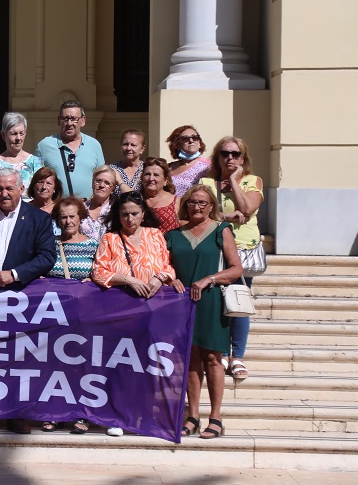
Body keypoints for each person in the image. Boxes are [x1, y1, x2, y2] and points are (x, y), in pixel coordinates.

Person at [0, 169, 56, 435]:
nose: (4, 194)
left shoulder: (38, 219)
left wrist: (16, 274)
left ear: (21, 189)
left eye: (9, 188)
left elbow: (47, 256)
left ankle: (17, 414)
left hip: (22, 298)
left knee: (20, 358)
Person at [91, 190, 177, 437]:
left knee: (147, 364)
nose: (129, 219)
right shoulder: (110, 239)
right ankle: (118, 416)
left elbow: (167, 266)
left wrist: (160, 279)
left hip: (152, 310)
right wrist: (127, 279)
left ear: (143, 215)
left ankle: (143, 415)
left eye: (134, 214)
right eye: (125, 214)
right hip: (120, 310)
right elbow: (99, 272)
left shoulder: (155, 235)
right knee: (121, 364)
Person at [167, 185, 243, 440]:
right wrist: (170, 280)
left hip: (211, 299)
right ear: (185, 205)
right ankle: (193, 416)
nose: (196, 206)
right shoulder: (174, 235)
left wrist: (209, 279)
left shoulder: (222, 230)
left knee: (213, 357)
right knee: (191, 358)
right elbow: (165, 267)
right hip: (182, 302)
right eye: (192, 202)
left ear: (212, 206)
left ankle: (216, 416)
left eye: (202, 202)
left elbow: (235, 269)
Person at [199, 136, 264, 380]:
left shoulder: (252, 181)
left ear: (243, 158)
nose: (230, 158)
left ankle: (237, 356)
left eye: (235, 154)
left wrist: (235, 181)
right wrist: (227, 217)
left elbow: (247, 209)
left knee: (239, 303)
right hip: (215, 248)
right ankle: (221, 352)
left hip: (243, 250)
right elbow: (201, 213)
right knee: (217, 305)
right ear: (217, 157)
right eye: (225, 153)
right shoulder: (207, 182)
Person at [38, 197, 97, 434]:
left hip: (84, 317)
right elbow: (39, 270)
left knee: (81, 366)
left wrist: (92, 281)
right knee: (53, 366)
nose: (68, 221)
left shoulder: (94, 245)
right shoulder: (48, 244)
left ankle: (82, 413)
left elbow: (102, 274)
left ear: (81, 217)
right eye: (63, 216)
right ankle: (54, 411)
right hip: (54, 317)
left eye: (72, 216)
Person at [35, 100, 105, 199]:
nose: (69, 123)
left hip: (88, 209)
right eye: (65, 119)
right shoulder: (44, 146)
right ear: (58, 120)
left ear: (83, 121)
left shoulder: (94, 145)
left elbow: (102, 177)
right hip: (55, 209)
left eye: (74, 119)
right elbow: (36, 181)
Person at [0, 112, 44, 205]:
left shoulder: (36, 162)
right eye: (14, 134)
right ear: (3, 135)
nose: (18, 138)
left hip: (31, 214)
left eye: (21, 133)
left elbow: (42, 195)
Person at [167, 125, 211, 197]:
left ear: (199, 143)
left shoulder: (208, 167)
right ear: (177, 144)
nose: (191, 141)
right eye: (185, 139)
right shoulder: (168, 168)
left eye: (195, 137)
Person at [142, 157, 181, 234]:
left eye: (156, 175)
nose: (151, 178)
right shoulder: (136, 200)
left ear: (165, 181)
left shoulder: (176, 201)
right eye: (147, 174)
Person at [81, 166, 116, 242]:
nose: (101, 185)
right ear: (92, 183)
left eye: (107, 183)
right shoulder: (80, 208)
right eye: (98, 181)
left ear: (113, 189)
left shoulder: (116, 210)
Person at [110, 129, 146, 194]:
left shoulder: (147, 170)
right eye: (125, 144)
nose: (128, 148)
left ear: (142, 149)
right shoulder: (112, 170)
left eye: (133, 145)